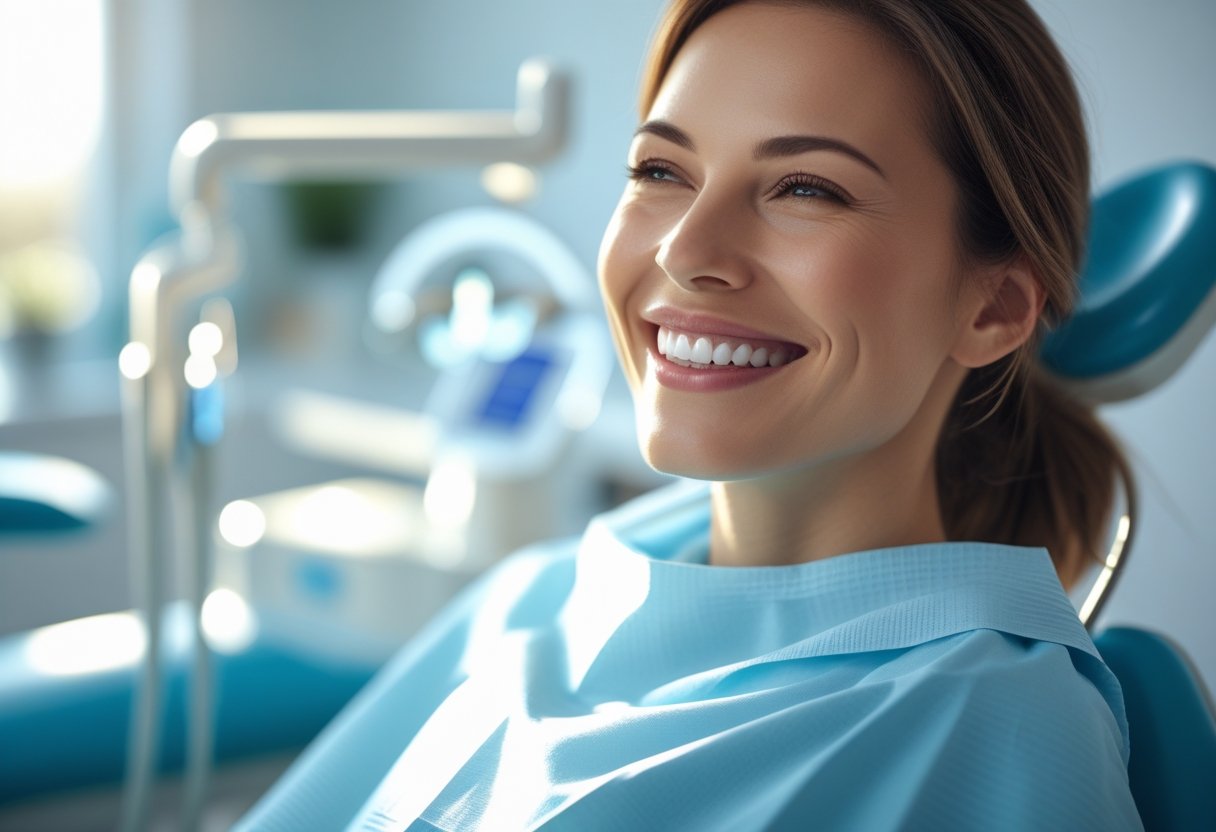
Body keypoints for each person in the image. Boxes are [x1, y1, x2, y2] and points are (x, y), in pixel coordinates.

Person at [238, 1, 1143, 829]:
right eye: (661, 170)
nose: (685, 250)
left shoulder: (1000, 728)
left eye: (805, 189)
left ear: (994, 309)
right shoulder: (536, 600)